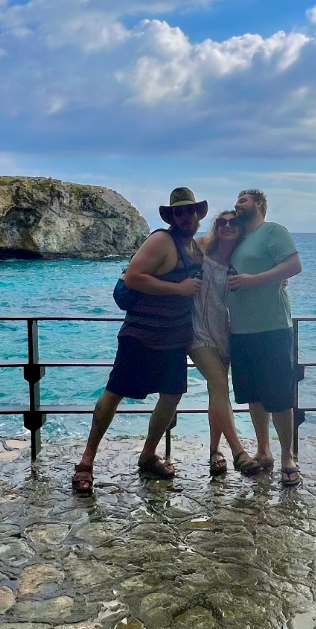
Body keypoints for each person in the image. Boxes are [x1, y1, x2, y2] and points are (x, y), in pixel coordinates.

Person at [72, 188, 204, 494]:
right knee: (114, 393)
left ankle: (148, 454)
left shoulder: (195, 246)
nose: (187, 216)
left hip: (174, 337)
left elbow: (221, 255)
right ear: (171, 216)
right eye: (180, 212)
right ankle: (87, 461)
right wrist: (179, 289)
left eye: (192, 211)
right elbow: (133, 277)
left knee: (172, 396)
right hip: (140, 334)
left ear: (198, 214)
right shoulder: (161, 240)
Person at [226, 188, 304, 486]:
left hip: (273, 327)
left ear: (259, 205)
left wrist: (252, 281)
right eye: (236, 201)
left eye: (243, 200)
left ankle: (287, 456)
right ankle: (263, 449)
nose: (237, 204)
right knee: (254, 394)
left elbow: (294, 265)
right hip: (241, 329)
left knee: (280, 395)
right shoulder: (237, 238)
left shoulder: (273, 231)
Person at [189, 210, 251, 476]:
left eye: (233, 222)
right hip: (196, 333)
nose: (227, 226)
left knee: (217, 392)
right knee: (219, 384)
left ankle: (215, 452)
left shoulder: (242, 262)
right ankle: (238, 451)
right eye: (222, 222)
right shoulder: (201, 251)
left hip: (227, 334)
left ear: (240, 228)